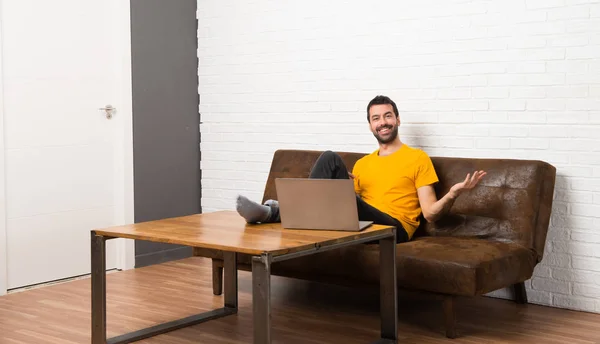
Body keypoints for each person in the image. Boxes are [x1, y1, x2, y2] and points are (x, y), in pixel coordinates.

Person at [236, 95, 486, 243]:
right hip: (361, 221)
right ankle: (278, 212)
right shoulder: (363, 163)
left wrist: (453, 193)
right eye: (376, 118)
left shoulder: (417, 158)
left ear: (397, 120)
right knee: (329, 161)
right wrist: (337, 187)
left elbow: (430, 213)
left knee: (333, 164)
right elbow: (345, 207)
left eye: (388, 116)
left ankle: (274, 212)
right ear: (370, 126)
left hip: (394, 227)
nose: (383, 123)